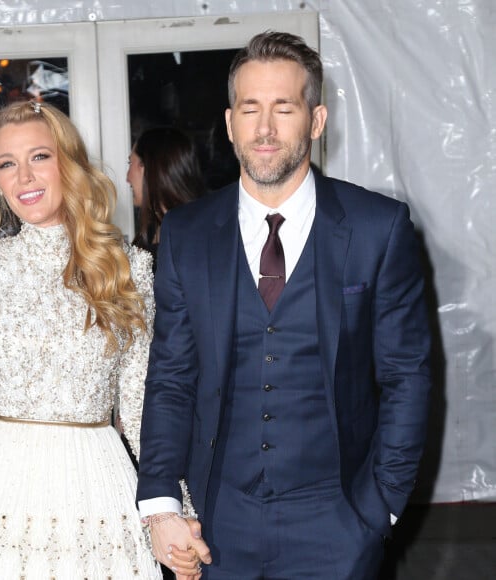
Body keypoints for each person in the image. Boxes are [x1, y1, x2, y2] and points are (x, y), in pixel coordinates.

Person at [136, 31, 432, 579]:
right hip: (218, 519)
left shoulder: (377, 228)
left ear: (316, 121)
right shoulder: (186, 234)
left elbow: (406, 376)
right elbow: (172, 375)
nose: (265, 128)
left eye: (283, 108)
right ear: (229, 124)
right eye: (250, 109)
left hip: (338, 520)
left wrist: (381, 503)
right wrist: (159, 503)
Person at [0, 101, 199, 578]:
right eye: (7, 164)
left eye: (39, 157)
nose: (24, 177)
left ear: (69, 163)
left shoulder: (129, 268)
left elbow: (141, 405)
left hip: (93, 490)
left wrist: (176, 511)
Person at [127, 126, 205, 271]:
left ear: (148, 167)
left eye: (130, 163)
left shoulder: (192, 240)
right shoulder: (153, 229)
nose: (127, 178)